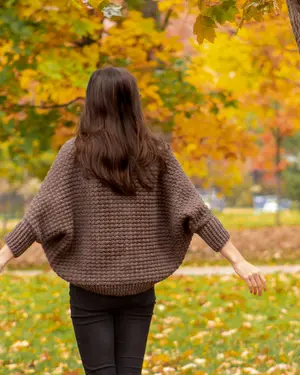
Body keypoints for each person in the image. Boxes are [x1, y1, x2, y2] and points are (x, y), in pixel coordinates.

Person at [0, 67, 267, 375]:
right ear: (133, 103)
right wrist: (238, 260)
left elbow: (39, 216)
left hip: (90, 290)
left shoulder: (75, 154)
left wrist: (4, 256)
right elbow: (196, 212)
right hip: (139, 288)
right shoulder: (154, 153)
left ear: (92, 103)